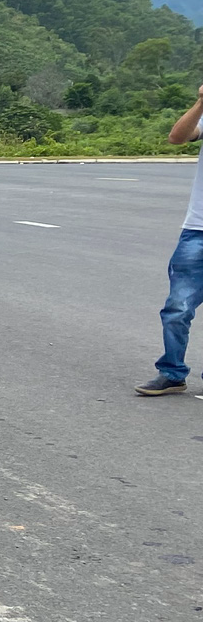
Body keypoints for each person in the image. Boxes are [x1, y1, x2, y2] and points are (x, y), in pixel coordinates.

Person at [136, 77, 203, 395]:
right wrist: (201, 102)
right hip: (198, 231)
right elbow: (177, 137)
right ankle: (172, 372)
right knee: (178, 306)